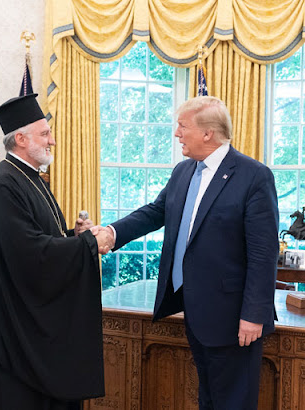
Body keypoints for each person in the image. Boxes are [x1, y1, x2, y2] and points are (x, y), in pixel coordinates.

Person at [95, 96, 279, 409]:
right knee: (208, 398)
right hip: (196, 311)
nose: (176, 133)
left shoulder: (253, 176)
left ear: (208, 133)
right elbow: (156, 212)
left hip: (234, 316)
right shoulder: (183, 171)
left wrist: (254, 314)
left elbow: (264, 253)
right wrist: (112, 233)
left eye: (183, 126)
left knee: (234, 401)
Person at [0, 93, 111, 409]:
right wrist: (88, 244)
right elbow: (28, 254)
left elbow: (41, 237)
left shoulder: (30, 178)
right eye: (45, 134)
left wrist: (74, 236)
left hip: (21, 320)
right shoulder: (3, 185)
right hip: (9, 330)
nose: (52, 141)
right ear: (21, 139)